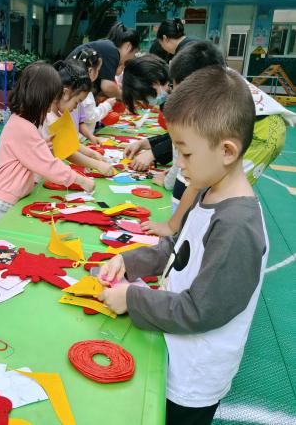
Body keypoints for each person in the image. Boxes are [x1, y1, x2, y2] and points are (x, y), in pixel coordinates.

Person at [99, 66, 269, 425]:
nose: (179, 163)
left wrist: (131, 299)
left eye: (186, 154)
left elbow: (199, 310)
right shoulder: (210, 192)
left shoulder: (237, 226)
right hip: (173, 349)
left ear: (226, 151)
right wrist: (129, 262)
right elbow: (177, 249)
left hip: (192, 379)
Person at [136, 41, 296, 236]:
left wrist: (171, 226)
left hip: (264, 133)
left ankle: (203, 229)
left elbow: (195, 183)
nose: (177, 95)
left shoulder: (213, 95)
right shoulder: (211, 77)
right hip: (251, 124)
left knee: (215, 184)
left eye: (182, 91)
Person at [0, 62, 94, 225]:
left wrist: (41, 146)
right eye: (51, 101)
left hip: (9, 197)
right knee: (5, 238)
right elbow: (48, 166)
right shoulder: (24, 127)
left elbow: (28, 155)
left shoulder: (22, 122)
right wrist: (82, 181)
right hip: (5, 201)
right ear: (41, 98)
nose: (51, 108)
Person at [42, 59, 114, 176]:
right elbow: (68, 152)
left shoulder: (59, 114)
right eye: (77, 102)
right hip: (41, 177)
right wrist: (97, 165)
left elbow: (70, 142)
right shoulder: (49, 117)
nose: (76, 108)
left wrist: (92, 154)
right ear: (65, 93)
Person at [66, 22, 141, 99]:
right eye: (134, 53)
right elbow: (107, 87)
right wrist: (127, 98)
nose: (132, 58)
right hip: (68, 91)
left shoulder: (107, 47)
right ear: (128, 46)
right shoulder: (112, 51)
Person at [69, 48, 117, 144]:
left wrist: (91, 137)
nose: (98, 73)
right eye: (98, 70)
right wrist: (107, 105)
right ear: (90, 71)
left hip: (80, 141)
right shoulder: (82, 92)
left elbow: (81, 121)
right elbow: (90, 116)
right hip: (78, 141)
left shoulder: (80, 89)